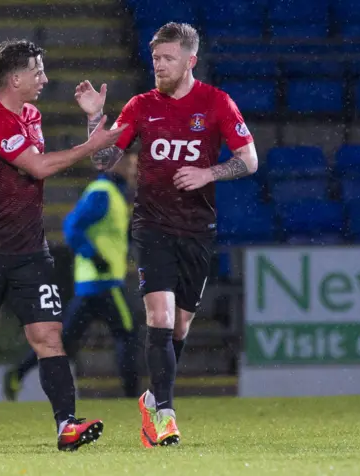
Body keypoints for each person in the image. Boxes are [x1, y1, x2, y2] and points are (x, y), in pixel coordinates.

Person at [74, 22, 258, 447]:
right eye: (155, 58)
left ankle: (151, 400)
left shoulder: (216, 103)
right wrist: (94, 118)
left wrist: (208, 172)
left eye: (168, 58)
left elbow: (248, 159)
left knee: (179, 327)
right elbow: (104, 159)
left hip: (197, 228)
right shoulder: (141, 106)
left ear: (190, 60)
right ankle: (166, 415)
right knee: (158, 316)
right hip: (152, 227)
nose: (158, 65)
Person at [0, 39, 125, 454]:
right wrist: (93, 143)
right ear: (15, 78)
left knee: (49, 337)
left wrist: (94, 121)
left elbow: (52, 167)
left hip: (30, 252)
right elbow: (39, 166)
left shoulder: (32, 115)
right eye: (38, 72)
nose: (44, 79)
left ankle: (66, 426)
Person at [3, 156, 139, 401]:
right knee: (127, 333)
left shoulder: (113, 194)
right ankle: (132, 396)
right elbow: (72, 226)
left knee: (64, 339)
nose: (132, 169)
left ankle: (18, 372)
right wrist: (94, 255)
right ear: (114, 164)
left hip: (92, 283)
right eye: (129, 164)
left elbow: (108, 235)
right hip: (103, 281)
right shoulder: (103, 193)